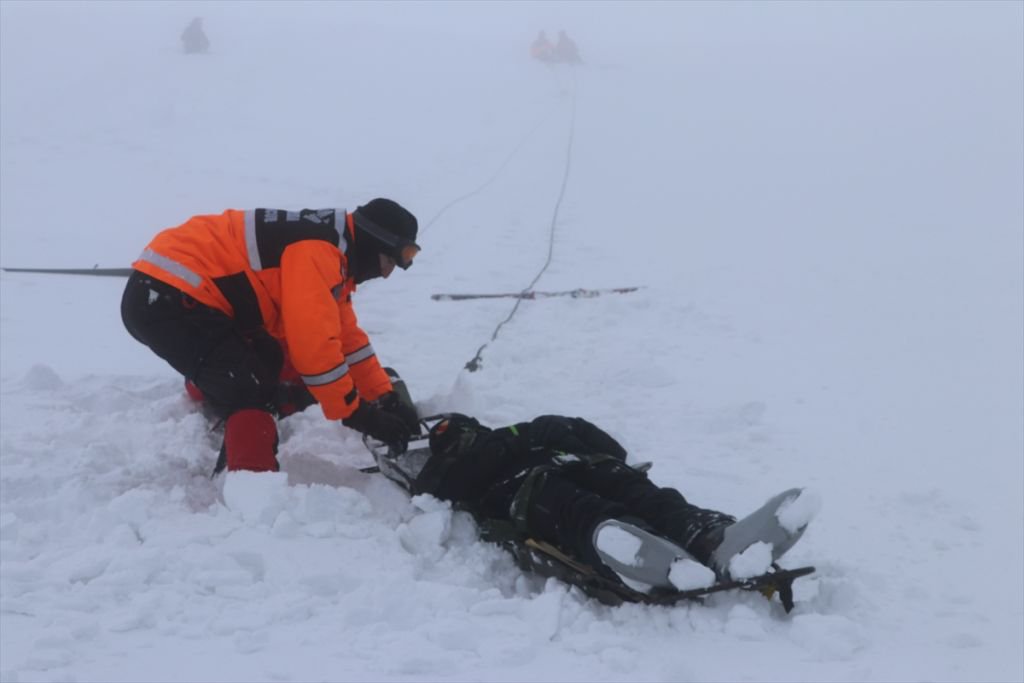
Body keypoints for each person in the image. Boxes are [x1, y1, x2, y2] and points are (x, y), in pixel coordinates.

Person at [121, 200, 423, 475]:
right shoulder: (319, 250)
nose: (386, 275)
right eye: (390, 262)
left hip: (177, 294)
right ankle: (251, 485)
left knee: (272, 359)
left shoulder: (331, 246)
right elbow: (314, 350)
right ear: (374, 243)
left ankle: (213, 385)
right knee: (252, 390)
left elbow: (346, 339)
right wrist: (359, 415)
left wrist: (383, 396)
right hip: (169, 297)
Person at [396, 413, 808, 591]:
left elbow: (611, 449)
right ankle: (663, 544)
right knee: (596, 503)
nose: (459, 438)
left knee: (629, 495)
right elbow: (433, 491)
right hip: (542, 484)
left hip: (558, 473)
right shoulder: (463, 463)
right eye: (451, 437)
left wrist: (577, 440)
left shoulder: (510, 438)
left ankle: (708, 535)